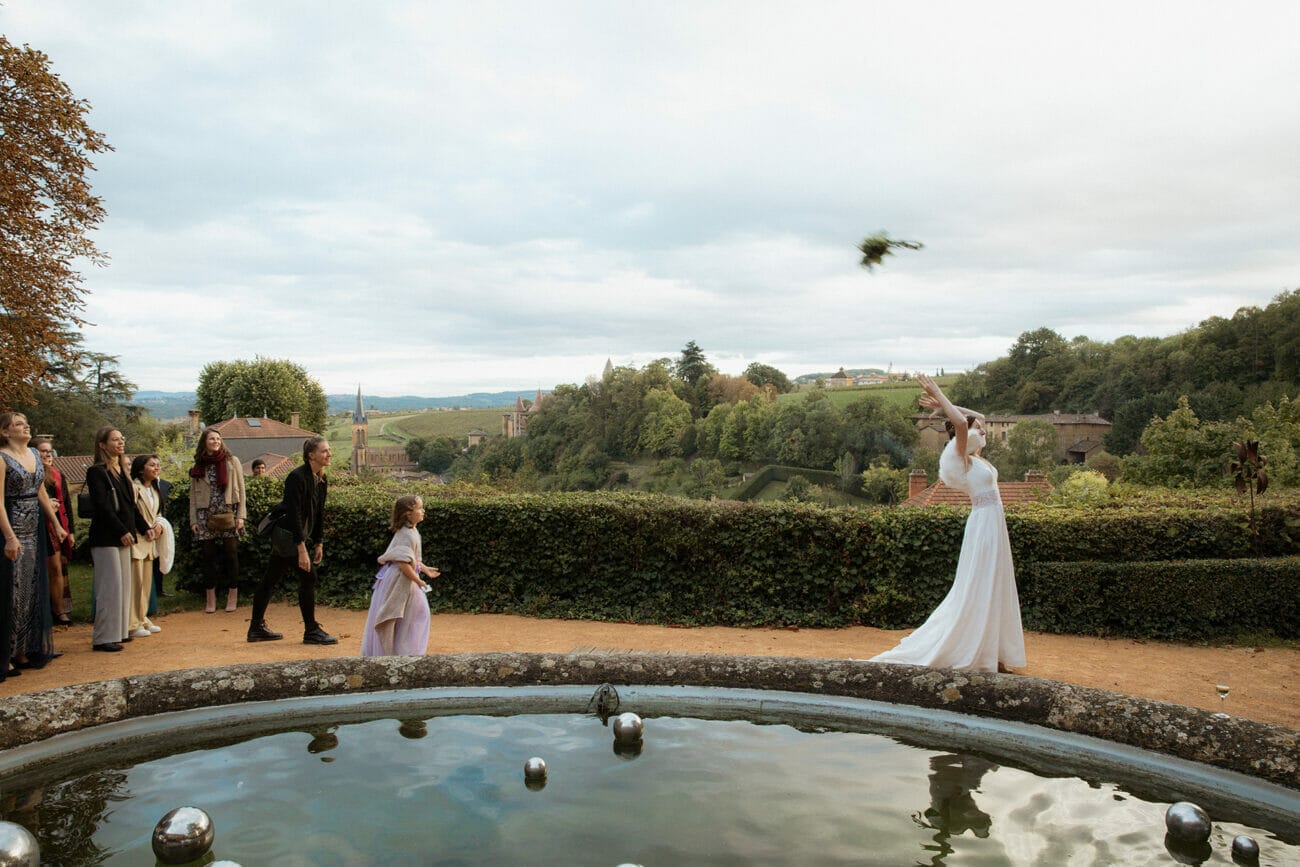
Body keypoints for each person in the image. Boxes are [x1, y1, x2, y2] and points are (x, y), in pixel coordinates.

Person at [871, 375, 1026, 674]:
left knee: (995, 584)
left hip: (994, 523)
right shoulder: (959, 455)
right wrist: (940, 395)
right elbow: (962, 423)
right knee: (980, 583)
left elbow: (976, 417)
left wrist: (945, 405)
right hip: (984, 526)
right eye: (974, 430)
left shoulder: (975, 457)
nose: (981, 428)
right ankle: (979, 652)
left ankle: (993, 651)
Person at [247, 436, 336, 645]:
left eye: (329, 450)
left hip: (293, 537)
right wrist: (302, 547)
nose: (329, 454)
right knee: (308, 577)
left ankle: (256, 627)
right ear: (311, 455)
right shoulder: (296, 477)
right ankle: (311, 630)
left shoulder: (320, 479)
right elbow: (294, 513)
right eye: (325, 451)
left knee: (271, 577)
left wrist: (319, 542)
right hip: (287, 536)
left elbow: (319, 513)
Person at [1, 413, 67, 677]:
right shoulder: (2, 458)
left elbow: (40, 491)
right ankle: (5, 653)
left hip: (35, 528)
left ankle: (23, 649)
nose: (25, 425)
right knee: (10, 592)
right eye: (18, 423)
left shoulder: (33, 454)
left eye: (26, 421)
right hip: (11, 526)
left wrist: (57, 524)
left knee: (30, 589)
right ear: (5, 432)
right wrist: (9, 537)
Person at [86, 426, 148, 653]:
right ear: (102, 445)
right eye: (115, 440)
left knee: (122, 586)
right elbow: (103, 506)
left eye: (122, 439)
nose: (120, 443)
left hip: (123, 536)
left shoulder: (122, 471)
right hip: (106, 537)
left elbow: (129, 506)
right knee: (109, 588)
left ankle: (118, 631)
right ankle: (102, 637)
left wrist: (143, 527)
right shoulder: (97, 472)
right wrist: (122, 531)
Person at [360, 495, 439, 657]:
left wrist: (425, 569)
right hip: (400, 580)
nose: (423, 511)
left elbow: (413, 559)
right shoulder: (406, 534)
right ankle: (404, 652)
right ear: (407, 514)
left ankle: (405, 650)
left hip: (405, 579)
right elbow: (403, 564)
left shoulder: (412, 531)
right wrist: (418, 580)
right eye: (419, 508)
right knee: (413, 614)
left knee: (415, 613)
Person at [188, 429, 246, 613]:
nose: (216, 441)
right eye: (212, 438)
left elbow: (242, 490)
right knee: (208, 556)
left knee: (231, 554)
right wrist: (193, 520)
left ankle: (233, 594)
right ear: (204, 442)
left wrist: (241, 516)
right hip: (205, 514)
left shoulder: (231, 461)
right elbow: (192, 496)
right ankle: (210, 597)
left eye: (219, 438)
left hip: (228, 510)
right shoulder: (199, 465)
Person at [36, 439, 74, 625]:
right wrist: (45, 506)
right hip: (37, 526)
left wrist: (71, 531)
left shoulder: (58, 475)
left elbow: (66, 504)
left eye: (50, 451)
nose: (48, 455)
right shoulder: (31, 474)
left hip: (57, 527)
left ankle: (59, 611)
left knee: (57, 569)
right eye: (43, 451)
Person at [128, 454, 165, 637]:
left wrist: (158, 525)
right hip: (137, 539)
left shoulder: (155, 489)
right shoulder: (134, 487)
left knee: (146, 583)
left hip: (150, 541)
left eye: (158, 465)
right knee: (136, 583)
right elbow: (132, 512)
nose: (156, 467)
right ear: (141, 468)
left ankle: (143, 618)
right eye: (152, 465)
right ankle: (132, 622)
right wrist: (144, 529)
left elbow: (157, 512)